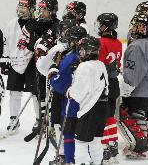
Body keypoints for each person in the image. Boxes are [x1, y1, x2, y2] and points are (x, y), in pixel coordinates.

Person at [66, 36, 109, 165]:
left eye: (82, 50)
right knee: (96, 140)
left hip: (91, 109)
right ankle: (97, 162)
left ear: (88, 51)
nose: (80, 52)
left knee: (81, 142)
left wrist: (69, 92)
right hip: (103, 107)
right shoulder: (101, 64)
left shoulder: (84, 66)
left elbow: (77, 93)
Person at [118, 13, 148, 158]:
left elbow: (134, 74)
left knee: (131, 116)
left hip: (139, 91)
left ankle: (138, 147)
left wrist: (126, 89)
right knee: (147, 116)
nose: (133, 28)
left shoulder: (137, 46)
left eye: (136, 25)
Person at [21, 0, 60, 133]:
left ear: (53, 11)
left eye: (45, 10)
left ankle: (53, 122)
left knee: (53, 95)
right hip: (37, 65)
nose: (41, 12)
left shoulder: (58, 25)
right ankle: (42, 119)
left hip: (53, 66)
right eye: (41, 9)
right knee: (39, 94)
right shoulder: (36, 23)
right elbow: (30, 43)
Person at [48, 26, 87, 164]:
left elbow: (58, 84)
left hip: (70, 103)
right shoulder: (88, 56)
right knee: (83, 135)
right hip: (87, 103)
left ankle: (67, 159)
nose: (68, 42)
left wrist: (52, 71)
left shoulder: (71, 58)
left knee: (68, 132)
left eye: (70, 39)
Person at [0, 0, 37, 133]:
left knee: (35, 93)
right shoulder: (12, 23)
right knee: (14, 92)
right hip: (15, 61)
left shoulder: (36, 23)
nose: (21, 9)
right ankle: (14, 118)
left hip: (31, 62)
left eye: (24, 7)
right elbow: (6, 42)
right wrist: (5, 58)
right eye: (20, 6)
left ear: (32, 9)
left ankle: (39, 120)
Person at [95, 13, 122, 164]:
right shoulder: (118, 42)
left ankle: (104, 149)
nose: (99, 27)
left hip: (103, 84)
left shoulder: (101, 42)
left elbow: (98, 66)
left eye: (101, 24)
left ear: (106, 26)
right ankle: (113, 145)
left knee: (102, 117)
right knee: (110, 116)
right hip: (114, 83)